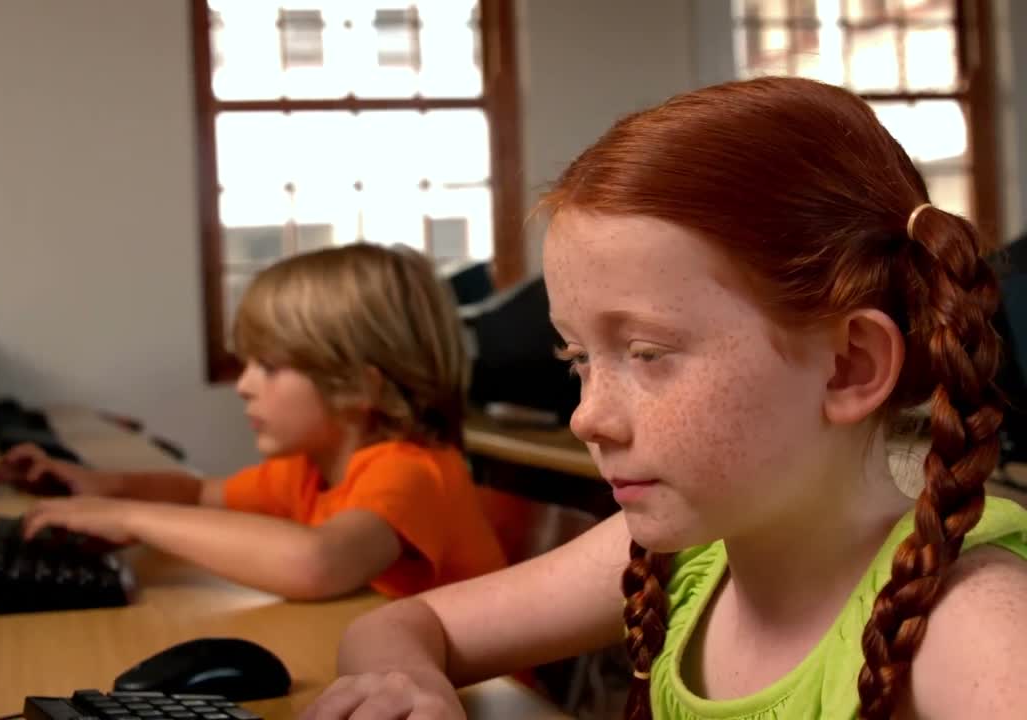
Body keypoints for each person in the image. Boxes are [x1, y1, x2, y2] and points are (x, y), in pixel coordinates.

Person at [299, 76, 1027, 720]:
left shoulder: (976, 623)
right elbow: (402, 625)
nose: (587, 415)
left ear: (847, 367)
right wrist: (408, 684)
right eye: (579, 358)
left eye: (646, 354)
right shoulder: (682, 551)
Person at [0, 243, 506, 600]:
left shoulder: (411, 472)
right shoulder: (312, 469)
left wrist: (130, 520)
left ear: (358, 387)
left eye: (270, 367)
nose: (244, 385)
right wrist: (101, 489)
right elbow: (198, 495)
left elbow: (318, 563)